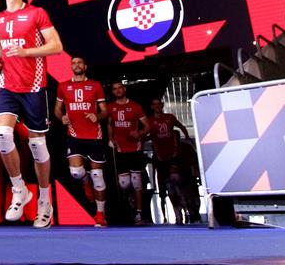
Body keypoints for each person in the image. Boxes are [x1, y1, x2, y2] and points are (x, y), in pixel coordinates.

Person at [0, 0, 63, 228]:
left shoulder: (36, 13)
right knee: (2, 135)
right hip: (7, 85)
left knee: (37, 145)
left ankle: (44, 201)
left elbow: (56, 46)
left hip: (33, 86)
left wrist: (26, 52)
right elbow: (1, 45)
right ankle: (19, 189)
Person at [55, 56, 109, 226]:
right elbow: (57, 109)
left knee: (98, 175)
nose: (76, 65)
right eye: (74, 63)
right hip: (74, 135)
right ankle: (86, 181)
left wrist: (97, 116)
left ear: (85, 66)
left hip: (94, 136)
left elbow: (105, 111)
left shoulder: (95, 85)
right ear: (71, 67)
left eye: (79, 63)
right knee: (76, 173)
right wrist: (61, 117)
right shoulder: (63, 86)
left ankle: (100, 214)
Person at [107, 82, 150, 225]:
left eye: (120, 87)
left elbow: (147, 126)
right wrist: (110, 138)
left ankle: (139, 213)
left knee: (136, 182)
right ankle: (128, 207)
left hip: (134, 149)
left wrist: (139, 133)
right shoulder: (110, 107)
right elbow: (109, 124)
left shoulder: (135, 106)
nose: (118, 90)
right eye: (115, 89)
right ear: (113, 92)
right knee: (124, 184)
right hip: (120, 150)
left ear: (124, 89)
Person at [146, 98, 193, 224]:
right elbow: (146, 134)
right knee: (169, 187)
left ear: (162, 105)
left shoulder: (170, 117)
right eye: (154, 104)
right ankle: (177, 213)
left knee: (176, 180)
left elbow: (181, 126)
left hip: (173, 156)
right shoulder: (149, 121)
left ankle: (187, 208)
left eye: (159, 104)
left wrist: (187, 139)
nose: (157, 106)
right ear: (152, 107)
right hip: (160, 158)